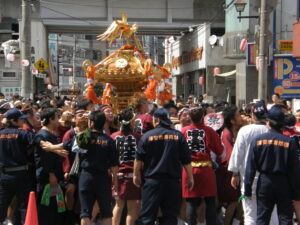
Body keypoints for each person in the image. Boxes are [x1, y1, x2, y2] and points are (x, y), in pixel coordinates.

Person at [134, 108, 193, 225]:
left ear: (156, 120)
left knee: (147, 217)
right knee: (170, 217)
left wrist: (136, 175)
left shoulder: (147, 136)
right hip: (172, 183)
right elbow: (186, 160)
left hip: (152, 182)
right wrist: (190, 177)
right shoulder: (178, 136)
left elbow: (138, 158)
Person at [244, 107, 300, 225]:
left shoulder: (257, 140)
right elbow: (294, 170)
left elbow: (250, 167)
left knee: (262, 218)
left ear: (268, 123)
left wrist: (247, 188)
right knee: (285, 218)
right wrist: (296, 192)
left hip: (265, 182)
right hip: (284, 183)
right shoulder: (289, 142)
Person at [228, 101, 278, 225]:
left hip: (248, 178)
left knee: (250, 215)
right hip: (271, 178)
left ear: (252, 114)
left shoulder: (245, 131)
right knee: (272, 213)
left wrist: (234, 173)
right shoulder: (272, 130)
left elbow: (237, 153)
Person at [181, 107, 224, 225]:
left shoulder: (183, 131)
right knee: (210, 201)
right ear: (202, 117)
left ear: (190, 117)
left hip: (189, 170)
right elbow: (220, 151)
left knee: (191, 202)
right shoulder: (209, 131)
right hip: (206, 170)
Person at [76, 111, 118, 225]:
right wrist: (115, 181)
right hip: (103, 178)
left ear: (91, 123)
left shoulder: (83, 138)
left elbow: (66, 146)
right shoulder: (109, 141)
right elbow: (114, 164)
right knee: (106, 213)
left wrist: (51, 147)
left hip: (86, 177)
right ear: (103, 123)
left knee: (85, 213)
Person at [0, 109, 34, 225]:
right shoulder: (23, 133)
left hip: (4, 176)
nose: (23, 120)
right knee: (24, 205)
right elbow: (36, 142)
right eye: (21, 119)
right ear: (14, 121)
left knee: (2, 204)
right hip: (21, 175)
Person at [34, 108, 66, 225]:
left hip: (55, 175)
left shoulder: (50, 134)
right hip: (47, 177)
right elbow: (45, 158)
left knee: (54, 205)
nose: (59, 120)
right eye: (57, 117)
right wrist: (51, 175)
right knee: (47, 206)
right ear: (51, 119)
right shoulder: (42, 135)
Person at [111, 109, 142, 225]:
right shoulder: (138, 137)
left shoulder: (113, 136)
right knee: (132, 209)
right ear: (130, 122)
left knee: (118, 206)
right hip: (132, 176)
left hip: (117, 176)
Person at [216, 106, 243, 225]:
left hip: (233, 171)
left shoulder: (237, 131)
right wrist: (235, 172)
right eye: (238, 115)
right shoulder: (226, 133)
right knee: (233, 201)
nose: (241, 117)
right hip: (228, 172)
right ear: (232, 120)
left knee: (239, 200)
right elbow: (230, 155)